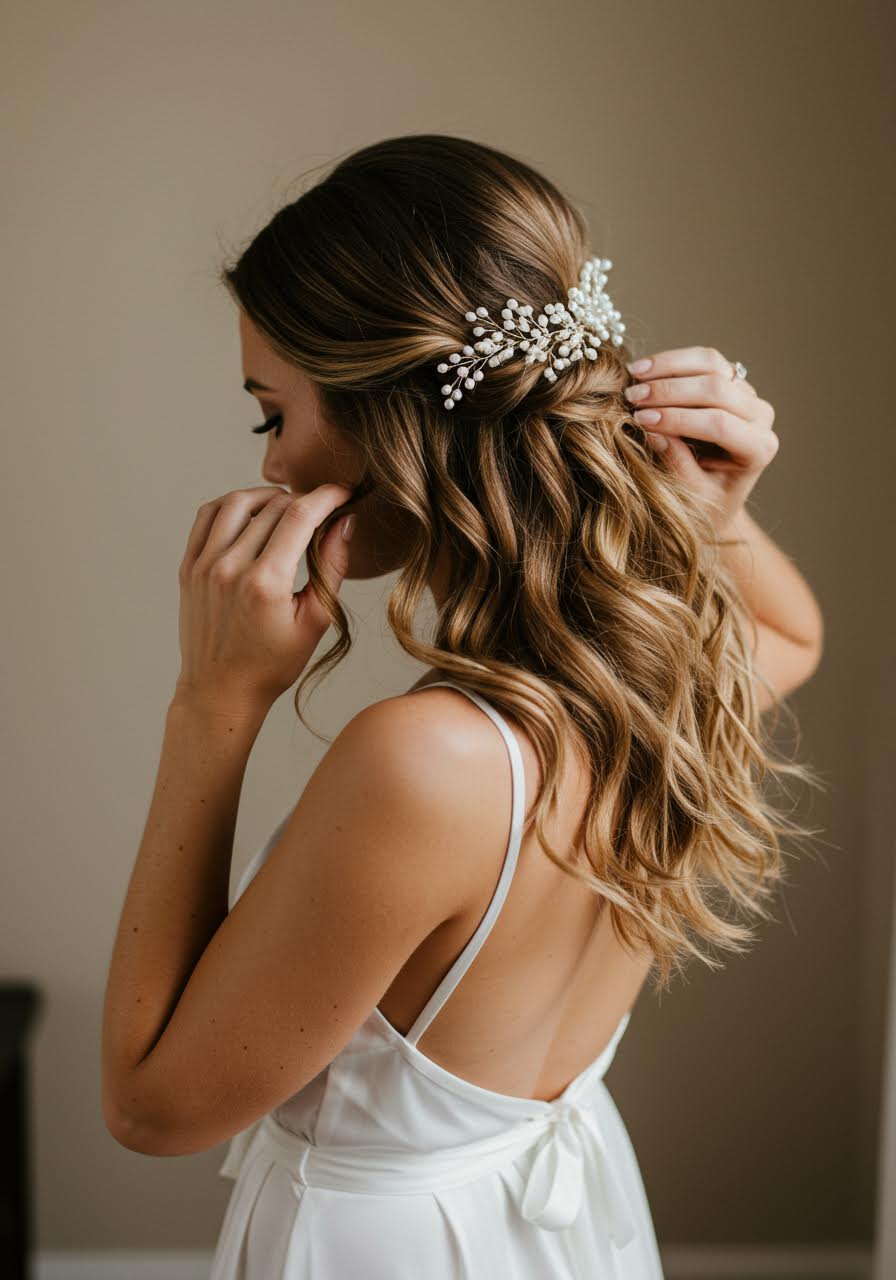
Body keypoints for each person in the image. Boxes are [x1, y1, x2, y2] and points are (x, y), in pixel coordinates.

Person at [102, 134, 824, 1278]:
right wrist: (708, 516)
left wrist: (212, 701)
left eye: (271, 415)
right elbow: (787, 636)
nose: (276, 469)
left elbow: (152, 1105)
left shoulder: (427, 759)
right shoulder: (644, 670)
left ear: (397, 418)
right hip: (559, 1224)